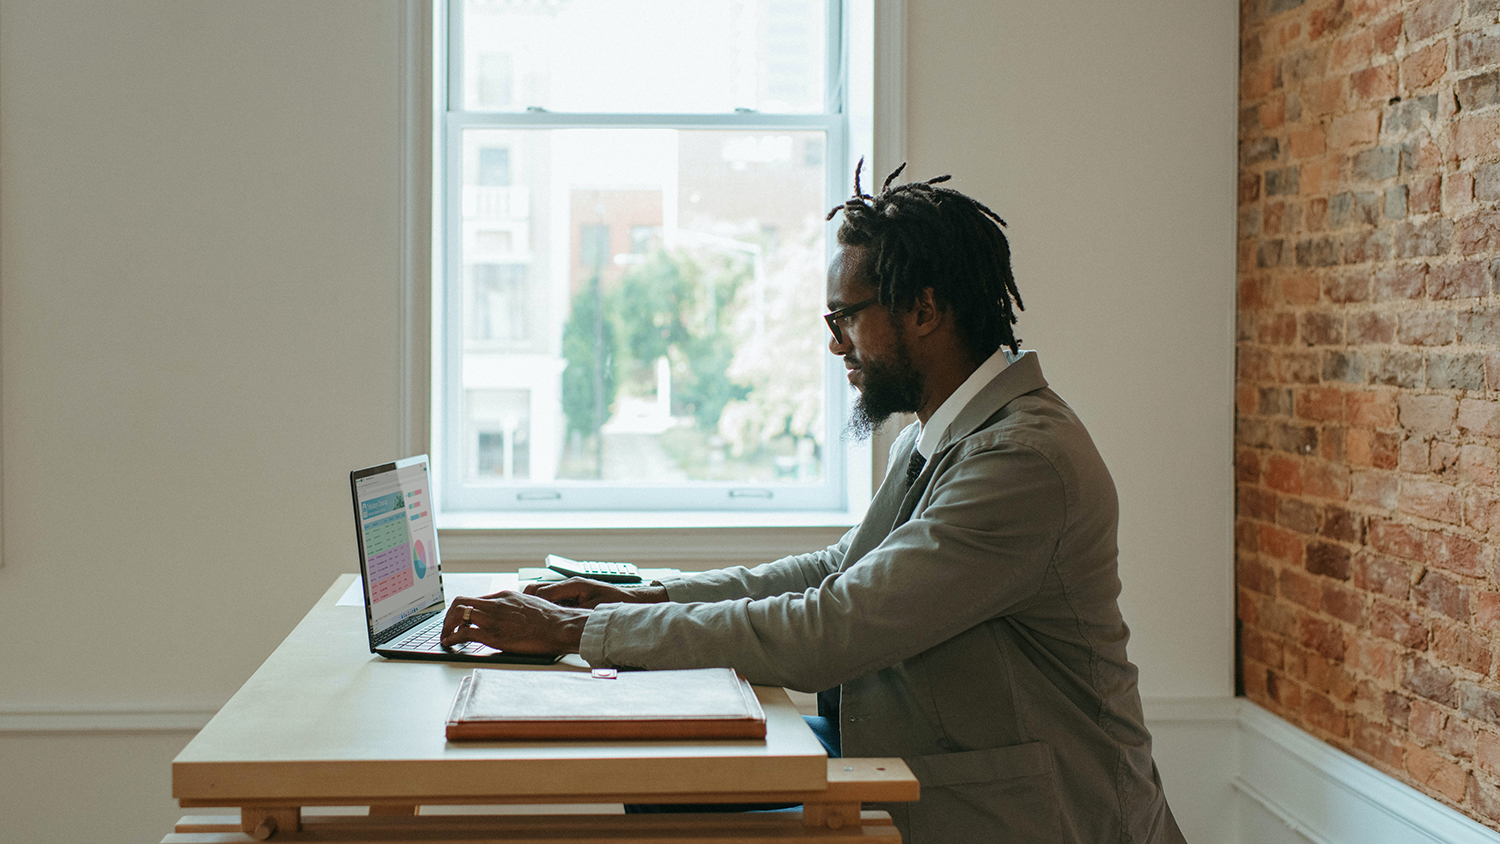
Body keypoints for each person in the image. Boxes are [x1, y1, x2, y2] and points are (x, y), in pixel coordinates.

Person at [440, 162, 1186, 844]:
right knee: (666, 791)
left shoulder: (1023, 462)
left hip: (1041, 818)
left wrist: (585, 631)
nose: (836, 346)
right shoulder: (944, 434)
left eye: (845, 319)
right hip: (936, 773)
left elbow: (836, 625)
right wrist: (641, 596)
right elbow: (837, 569)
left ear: (923, 310)